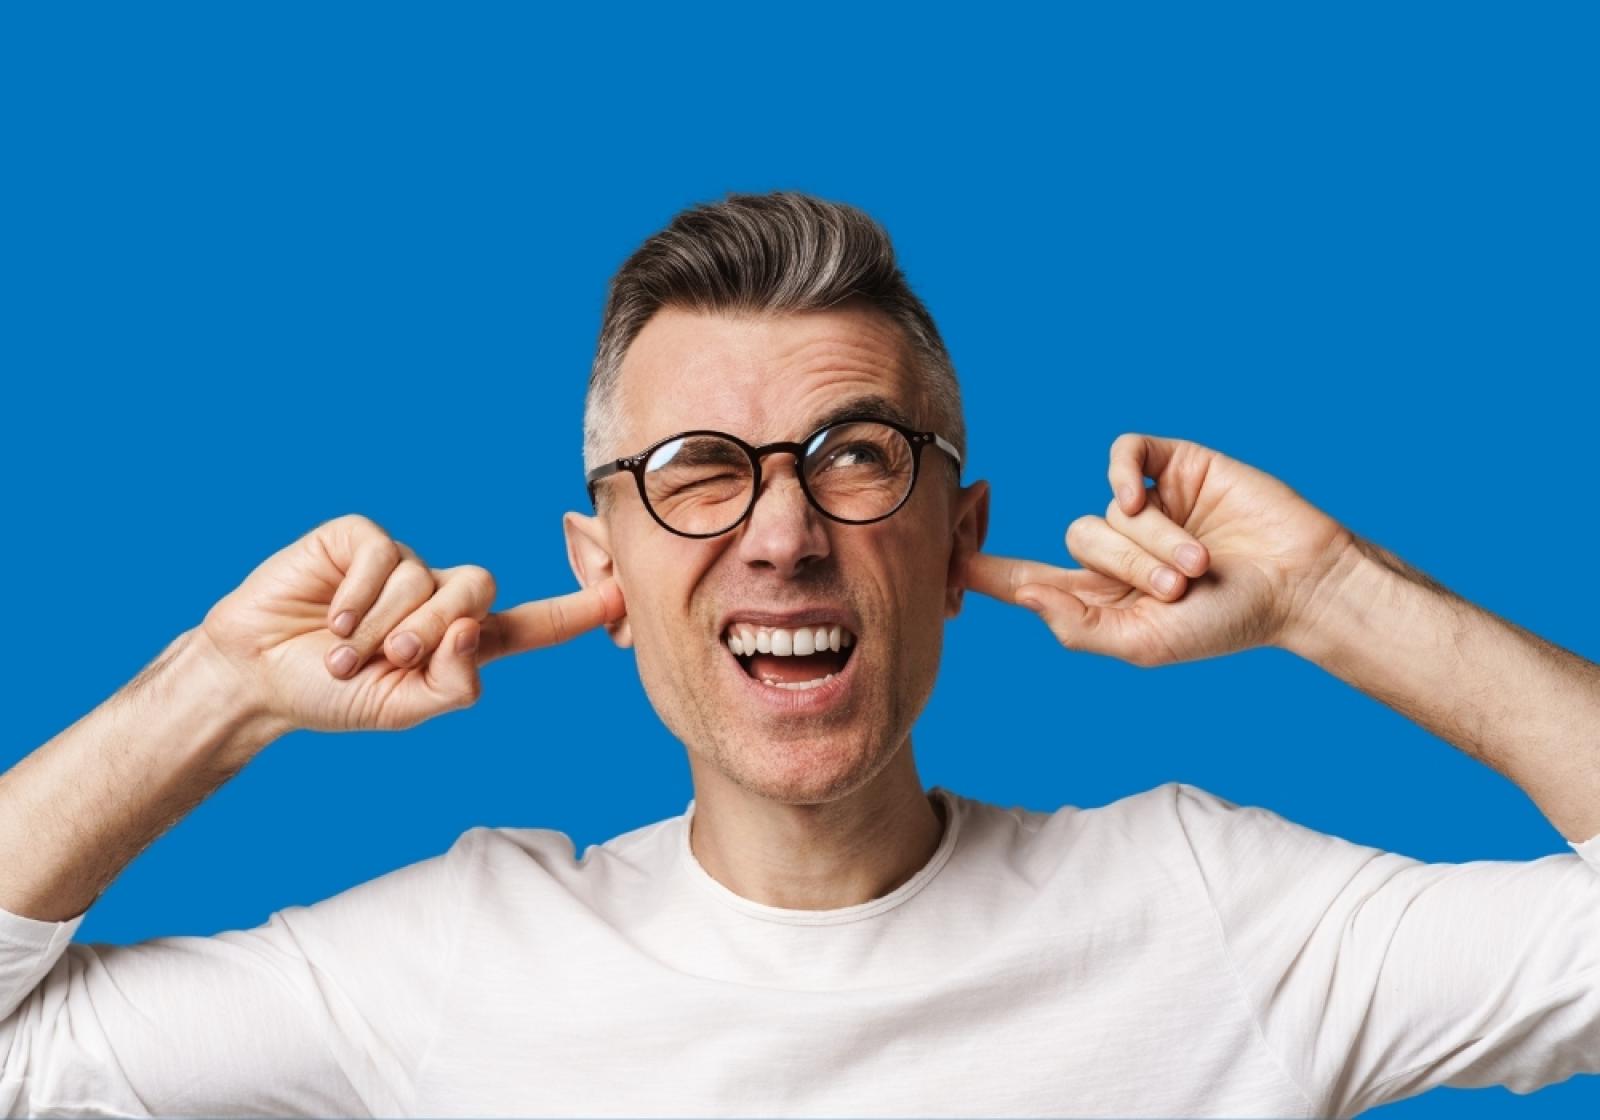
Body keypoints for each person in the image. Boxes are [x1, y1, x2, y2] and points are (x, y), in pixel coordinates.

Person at [2, 191, 1597, 1119]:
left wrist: (1327, 588)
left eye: (853, 456)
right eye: (699, 469)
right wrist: (218, 691)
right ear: (601, 563)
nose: (781, 535)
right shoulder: (456, 959)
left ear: (956, 536)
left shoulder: (1209, 912)